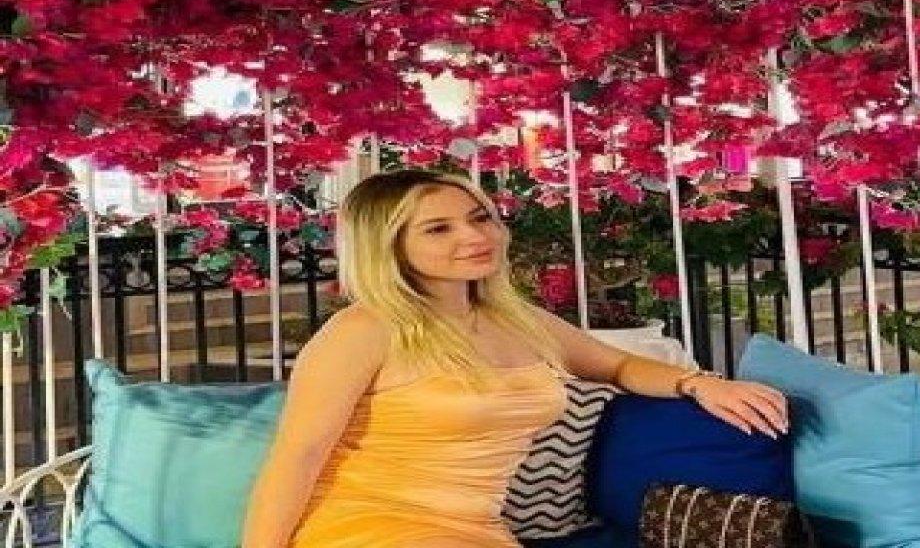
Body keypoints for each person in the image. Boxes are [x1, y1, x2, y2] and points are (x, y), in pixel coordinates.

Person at [242, 169, 788, 548]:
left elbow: (618, 366)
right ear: (389, 246)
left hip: (479, 530)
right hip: (369, 525)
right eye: (438, 228)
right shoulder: (363, 330)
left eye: (480, 218)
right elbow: (296, 458)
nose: (475, 236)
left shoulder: (514, 318)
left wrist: (699, 383)